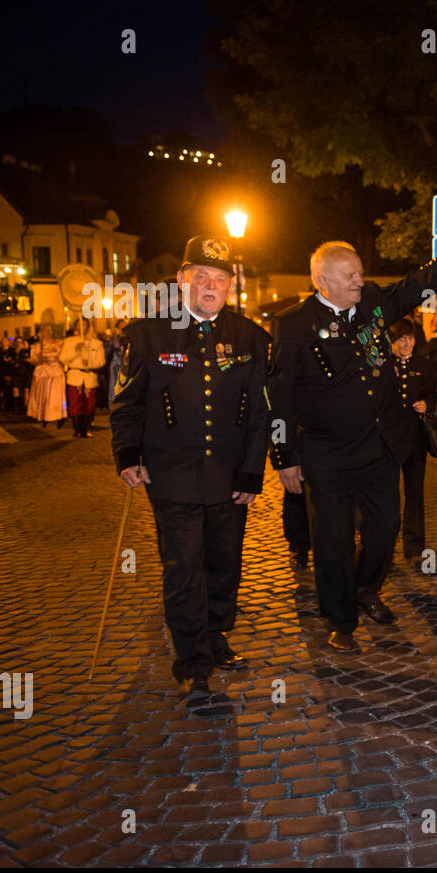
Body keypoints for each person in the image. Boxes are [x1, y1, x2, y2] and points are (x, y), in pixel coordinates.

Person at [268, 217, 437, 652]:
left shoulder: (373, 305)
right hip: (325, 453)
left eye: (361, 273)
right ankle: (340, 620)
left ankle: (367, 589)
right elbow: (280, 394)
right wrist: (284, 455)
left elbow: (413, 286)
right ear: (322, 280)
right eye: (351, 276)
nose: (360, 281)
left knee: (384, 530)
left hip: (379, 447)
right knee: (333, 541)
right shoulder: (292, 324)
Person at [110, 236, 271, 704]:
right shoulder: (147, 335)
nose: (210, 285)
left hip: (229, 478)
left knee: (224, 566)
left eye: (220, 278)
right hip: (172, 475)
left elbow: (260, 413)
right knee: (183, 570)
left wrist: (250, 473)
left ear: (230, 285)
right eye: (200, 276)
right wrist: (128, 455)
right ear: (181, 281)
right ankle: (193, 662)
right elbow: (127, 404)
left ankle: (217, 637)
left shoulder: (251, 338)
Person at [389, 317, 437, 564]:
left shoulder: (425, 365)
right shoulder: (380, 366)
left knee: (415, 493)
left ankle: (414, 544)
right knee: (386, 496)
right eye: (400, 339)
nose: (405, 344)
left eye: (409, 338)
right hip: (387, 443)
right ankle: (383, 544)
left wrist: (428, 404)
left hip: (415, 441)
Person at [60, 316, 105, 438]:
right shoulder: (69, 342)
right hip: (75, 376)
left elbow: (101, 361)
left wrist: (90, 362)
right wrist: (75, 350)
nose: (82, 327)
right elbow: (63, 358)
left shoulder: (96, 343)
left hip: (89, 376)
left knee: (89, 404)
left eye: (84, 325)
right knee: (75, 403)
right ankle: (77, 429)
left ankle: (86, 428)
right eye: (80, 324)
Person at [27, 326, 65, 426]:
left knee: (57, 395)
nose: (48, 332)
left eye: (49, 330)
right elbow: (33, 359)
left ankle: (60, 415)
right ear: (41, 333)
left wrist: (57, 359)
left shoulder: (58, 343)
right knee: (44, 395)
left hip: (56, 372)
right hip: (42, 373)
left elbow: (63, 356)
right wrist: (41, 358)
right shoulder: (37, 345)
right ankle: (44, 416)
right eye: (45, 330)